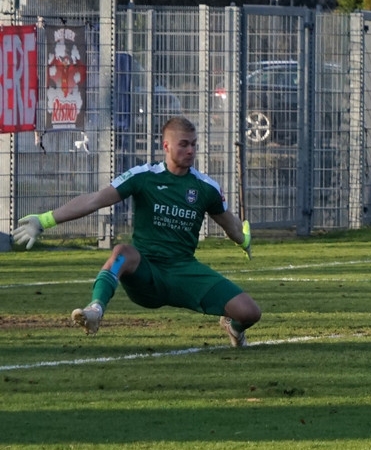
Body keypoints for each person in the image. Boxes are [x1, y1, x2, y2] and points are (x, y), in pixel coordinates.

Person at [12, 116, 261, 347]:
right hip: (146, 271)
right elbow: (94, 200)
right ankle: (95, 310)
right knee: (122, 252)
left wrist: (244, 240)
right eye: (184, 144)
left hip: (184, 270)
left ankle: (233, 327)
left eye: (194, 144)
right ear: (166, 145)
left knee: (250, 313)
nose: (190, 150)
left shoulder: (205, 187)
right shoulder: (144, 177)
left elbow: (230, 225)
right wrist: (44, 220)